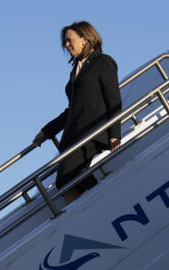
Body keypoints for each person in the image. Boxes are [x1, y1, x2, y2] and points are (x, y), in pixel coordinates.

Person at [33, 21, 122, 205]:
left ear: (85, 39)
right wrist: (47, 131)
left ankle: (104, 197)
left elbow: (114, 100)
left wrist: (115, 134)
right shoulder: (76, 70)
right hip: (75, 134)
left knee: (66, 178)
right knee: (67, 179)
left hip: (92, 130)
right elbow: (71, 110)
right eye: (65, 42)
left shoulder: (103, 62)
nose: (66, 45)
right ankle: (89, 202)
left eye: (69, 40)